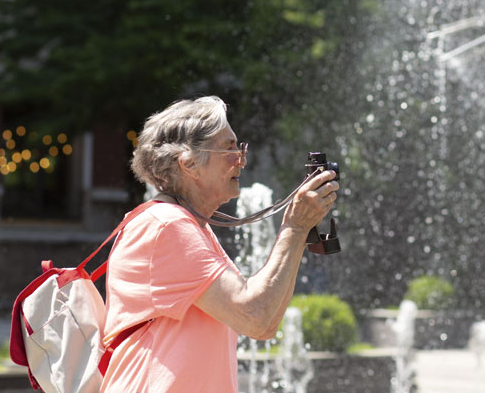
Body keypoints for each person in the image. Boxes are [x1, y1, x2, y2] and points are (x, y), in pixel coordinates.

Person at [100, 96, 338, 393]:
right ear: (189, 163)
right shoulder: (168, 226)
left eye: (240, 148)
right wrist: (295, 226)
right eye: (229, 148)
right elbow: (254, 315)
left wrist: (299, 230)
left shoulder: (190, 225)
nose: (241, 158)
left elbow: (265, 325)